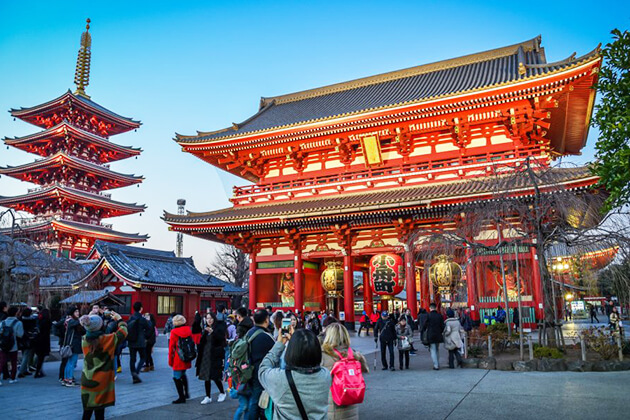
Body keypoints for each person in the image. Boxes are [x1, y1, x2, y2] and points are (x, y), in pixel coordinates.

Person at [259, 328, 331, 420]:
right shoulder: (325, 375)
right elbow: (314, 361)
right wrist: (298, 343)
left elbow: (263, 370)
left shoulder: (280, 379)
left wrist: (279, 344)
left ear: (291, 352)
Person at [79, 311, 127, 420]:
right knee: (100, 413)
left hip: (87, 379)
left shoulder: (84, 340)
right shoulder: (108, 339)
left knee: (86, 412)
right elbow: (123, 331)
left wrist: (91, 317)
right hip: (103, 381)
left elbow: (90, 328)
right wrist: (119, 319)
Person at [320, 322, 368, 420]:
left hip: (332, 409)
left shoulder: (323, 356)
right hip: (352, 409)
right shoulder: (354, 355)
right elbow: (365, 369)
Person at [245, 309, 275, 420]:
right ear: (267, 320)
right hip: (260, 372)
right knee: (256, 400)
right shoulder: (265, 336)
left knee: (253, 398)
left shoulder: (249, 332)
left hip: (249, 369)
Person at [196, 312, 227, 404]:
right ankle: (207, 396)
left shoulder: (219, 328)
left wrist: (213, 333)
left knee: (215, 376)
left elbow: (221, 340)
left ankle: (222, 392)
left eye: (211, 318)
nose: (209, 320)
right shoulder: (205, 329)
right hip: (205, 355)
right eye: (207, 318)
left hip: (215, 355)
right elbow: (201, 343)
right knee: (206, 376)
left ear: (214, 319)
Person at [169, 315, 192, 404]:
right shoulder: (188, 330)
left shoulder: (174, 332)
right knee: (183, 374)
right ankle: (186, 393)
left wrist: (170, 360)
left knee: (176, 377)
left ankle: (181, 397)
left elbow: (171, 347)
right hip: (186, 356)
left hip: (178, 358)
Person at [127, 301, 150, 384]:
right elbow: (149, 328)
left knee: (132, 359)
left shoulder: (130, 318)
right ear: (141, 308)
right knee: (143, 357)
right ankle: (136, 372)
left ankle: (133, 374)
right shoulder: (142, 319)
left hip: (131, 340)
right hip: (140, 341)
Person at [0, 306, 24, 384]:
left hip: (2, 345)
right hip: (13, 345)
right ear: (16, 313)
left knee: (2, 362)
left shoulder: (2, 323)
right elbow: (20, 334)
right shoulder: (18, 323)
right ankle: (12, 378)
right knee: (13, 362)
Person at [63, 306, 85, 386]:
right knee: (72, 362)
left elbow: (83, 331)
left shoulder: (71, 321)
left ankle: (67, 378)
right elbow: (80, 323)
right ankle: (69, 379)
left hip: (72, 344)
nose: (78, 313)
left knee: (70, 362)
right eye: (76, 312)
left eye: (78, 311)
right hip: (73, 345)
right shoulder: (71, 321)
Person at [422, 303, 444, 370]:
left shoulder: (428, 316)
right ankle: (438, 363)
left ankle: (436, 365)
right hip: (438, 334)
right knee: (437, 350)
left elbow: (424, 326)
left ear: (430, 308)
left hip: (431, 334)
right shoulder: (439, 316)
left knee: (433, 350)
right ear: (436, 308)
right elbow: (442, 326)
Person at [17, 307, 38, 378]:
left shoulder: (20, 319)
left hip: (21, 338)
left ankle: (25, 369)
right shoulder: (32, 320)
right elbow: (35, 329)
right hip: (29, 339)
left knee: (24, 354)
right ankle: (22, 371)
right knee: (26, 355)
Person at [33, 308, 52, 378]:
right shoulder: (47, 321)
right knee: (41, 357)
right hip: (44, 340)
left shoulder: (38, 320)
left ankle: (39, 370)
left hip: (38, 339)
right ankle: (38, 371)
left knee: (39, 356)